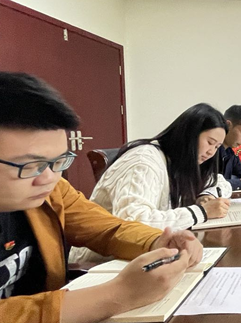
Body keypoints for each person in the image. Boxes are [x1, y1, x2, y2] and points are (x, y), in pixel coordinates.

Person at [0, 72, 203, 323]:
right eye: (30, 165)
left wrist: (157, 241)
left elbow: (107, 228)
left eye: (59, 162)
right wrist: (116, 295)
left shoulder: (48, 194)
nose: (49, 178)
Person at [69, 104, 231, 263]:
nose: (211, 152)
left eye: (217, 147)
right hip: (100, 261)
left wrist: (207, 195)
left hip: (143, 254)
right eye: (210, 142)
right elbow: (134, 226)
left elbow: (221, 182)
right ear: (189, 134)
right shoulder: (144, 162)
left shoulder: (179, 163)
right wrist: (201, 212)